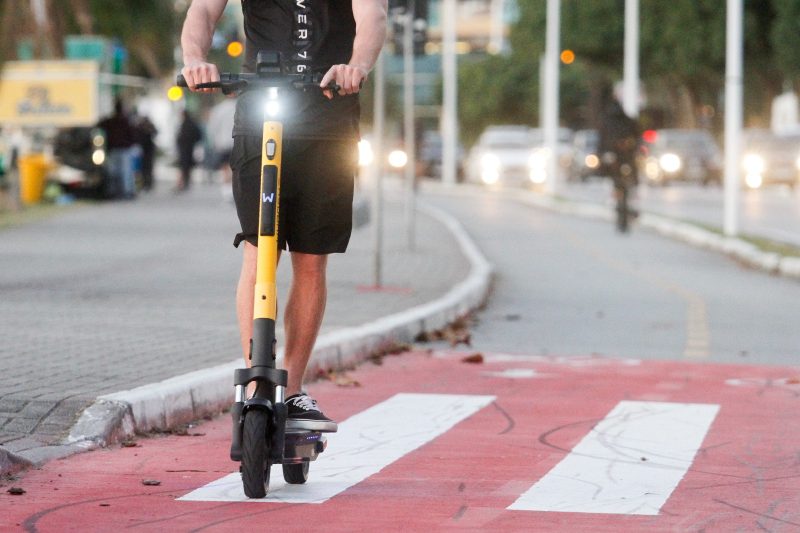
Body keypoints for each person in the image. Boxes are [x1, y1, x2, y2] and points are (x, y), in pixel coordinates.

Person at [180, 0, 387, 431]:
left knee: (311, 260)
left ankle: (291, 391)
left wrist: (356, 65)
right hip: (260, 114)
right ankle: (258, 384)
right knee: (260, 251)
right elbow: (202, 11)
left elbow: (373, 17)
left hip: (329, 116)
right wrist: (196, 61)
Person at [598, 98, 640, 233]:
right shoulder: (611, 122)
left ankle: (627, 205)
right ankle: (620, 204)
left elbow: (637, 140)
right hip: (617, 161)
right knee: (621, 184)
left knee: (627, 183)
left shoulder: (622, 122)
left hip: (625, 160)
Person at [97, 99, 137, 199]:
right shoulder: (125, 121)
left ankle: (117, 192)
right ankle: (125, 192)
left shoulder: (112, 121)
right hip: (122, 149)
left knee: (116, 172)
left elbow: (99, 125)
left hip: (116, 149)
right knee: (124, 172)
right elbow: (133, 135)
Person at [206, 98, 236, 201]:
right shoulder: (238, 107)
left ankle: (227, 192)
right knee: (234, 168)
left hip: (222, 143)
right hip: (236, 142)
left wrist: (214, 141)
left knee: (224, 168)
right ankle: (232, 190)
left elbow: (212, 127)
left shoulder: (218, 109)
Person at [175, 110, 203, 192]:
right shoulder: (192, 123)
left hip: (185, 149)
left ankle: (183, 183)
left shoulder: (185, 124)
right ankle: (185, 182)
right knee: (187, 166)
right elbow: (198, 135)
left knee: (184, 166)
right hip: (189, 148)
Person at [134, 114, 158, 192]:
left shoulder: (150, 126)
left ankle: (148, 183)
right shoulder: (140, 126)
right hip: (142, 149)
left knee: (149, 167)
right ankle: (144, 183)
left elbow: (155, 132)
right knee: (143, 168)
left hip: (149, 149)